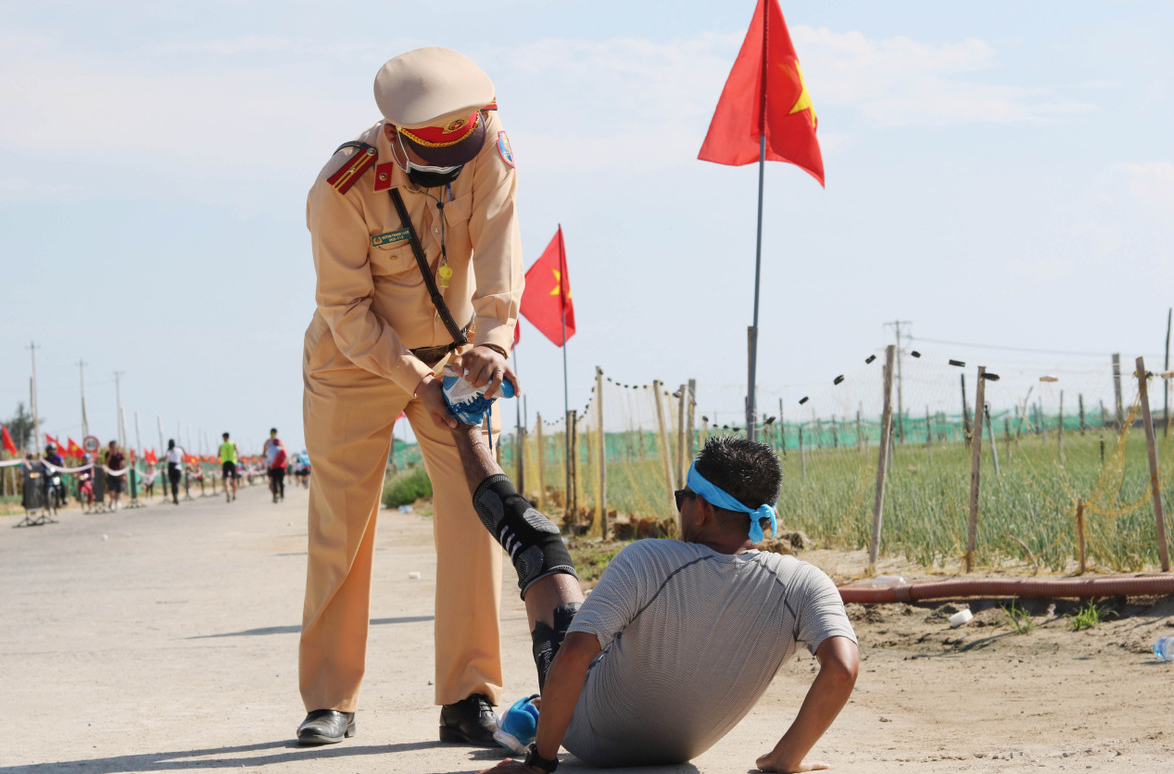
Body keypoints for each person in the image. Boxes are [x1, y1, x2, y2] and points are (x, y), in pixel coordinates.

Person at [295, 46, 523, 748]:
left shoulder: (491, 155)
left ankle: (469, 695)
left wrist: (492, 344)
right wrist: (413, 383)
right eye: (436, 167)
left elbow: (498, 259)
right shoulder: (342, 186)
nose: (452, 174)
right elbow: (345, 306)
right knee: (342, 524)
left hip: (452, 355)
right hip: (352, 361)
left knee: (473, 512)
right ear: (397, 138)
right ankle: (330, 698)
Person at [444, 425, 860, 774]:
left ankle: (464, 429)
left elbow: (573, 658)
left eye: (682, 499)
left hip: (589, 733)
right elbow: (842, 668)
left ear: (700, 510)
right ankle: (534, 709)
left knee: (539, 546)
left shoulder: (650, 559)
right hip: (682, 747)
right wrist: (785, 759)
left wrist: (541, 764)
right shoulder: (806, 582)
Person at [263, 429, 287, 503]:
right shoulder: (279, 441)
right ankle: (278, 494)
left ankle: (275, 494)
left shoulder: (267, 442)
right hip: (279, 467)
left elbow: (264, 454)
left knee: (273, 482)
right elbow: (284, 456)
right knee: (279, 482)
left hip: (272, 466)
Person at [42, 443, 66, 511]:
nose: (51, 451)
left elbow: (63, 464)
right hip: (48, 478)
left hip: (57, 476)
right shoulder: (45, 460)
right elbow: (41, 467)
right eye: (50, 450)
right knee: (43, 487)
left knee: (62, 485)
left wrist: (63, 467)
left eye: (53, 450)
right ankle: (44, 502)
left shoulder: (58, 458)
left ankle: (63, 499)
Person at [104, 440, 126, 510]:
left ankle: (116, 503)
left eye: (115, 445)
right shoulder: (108, 453)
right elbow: (106, 463)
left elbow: (122, 464)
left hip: (118, 474)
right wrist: (110, 455)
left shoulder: (120, 454)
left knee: (118, 490)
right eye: (112, 446)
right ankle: (112, 500)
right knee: (111, 489)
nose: (114, 447)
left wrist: (123, 474)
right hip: (110, 474)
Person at [219, 432, 239, 502]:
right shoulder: (233, 444)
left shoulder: (221, 446)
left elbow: (218, 455)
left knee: (226, 479)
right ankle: (234, 495)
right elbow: (238, 452)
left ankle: (227, 491)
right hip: (233, 462)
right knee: (234, 479)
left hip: (225, 462)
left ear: (224, 437)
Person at [165, 439, 184, 505]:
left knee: (173, 483)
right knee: (176, 483)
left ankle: (174, 496)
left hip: (171, 467)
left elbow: (166, 458)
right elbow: (182, 458)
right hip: (178, 467)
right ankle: (176, 496)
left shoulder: (169, 450)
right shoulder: (179, 450)